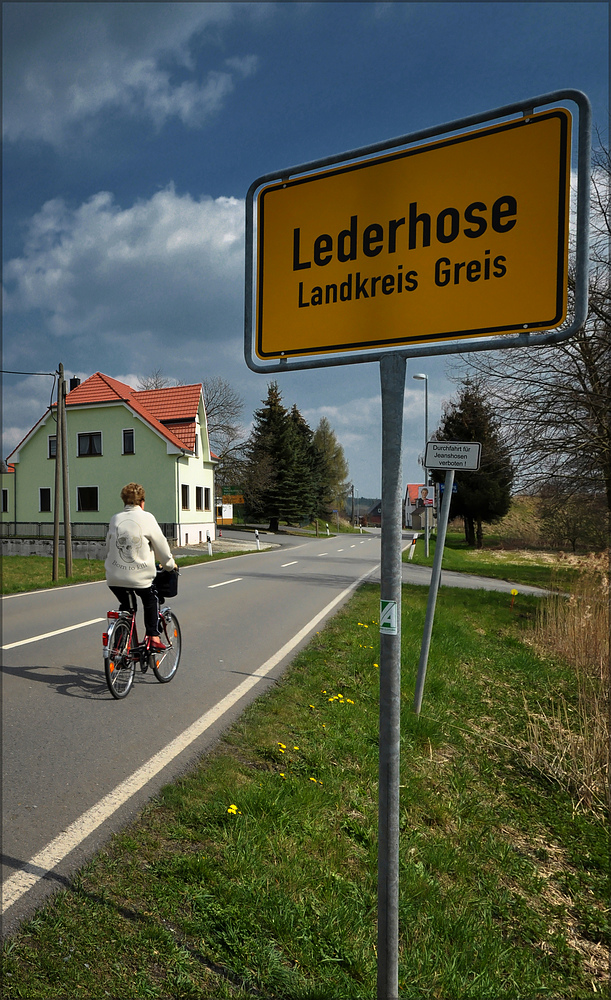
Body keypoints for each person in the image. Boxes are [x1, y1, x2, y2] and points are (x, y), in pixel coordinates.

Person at [105, 482, 176, 652]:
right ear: (142, 502)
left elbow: (108, 546)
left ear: (124, 501)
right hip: (140, 578)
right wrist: (169, 565)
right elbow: (162, 547)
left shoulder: (115, 519)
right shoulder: (147, 518)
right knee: (151, 599)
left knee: (128, 607)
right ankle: (154, 637)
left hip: (114, 578)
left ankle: (118, 648)